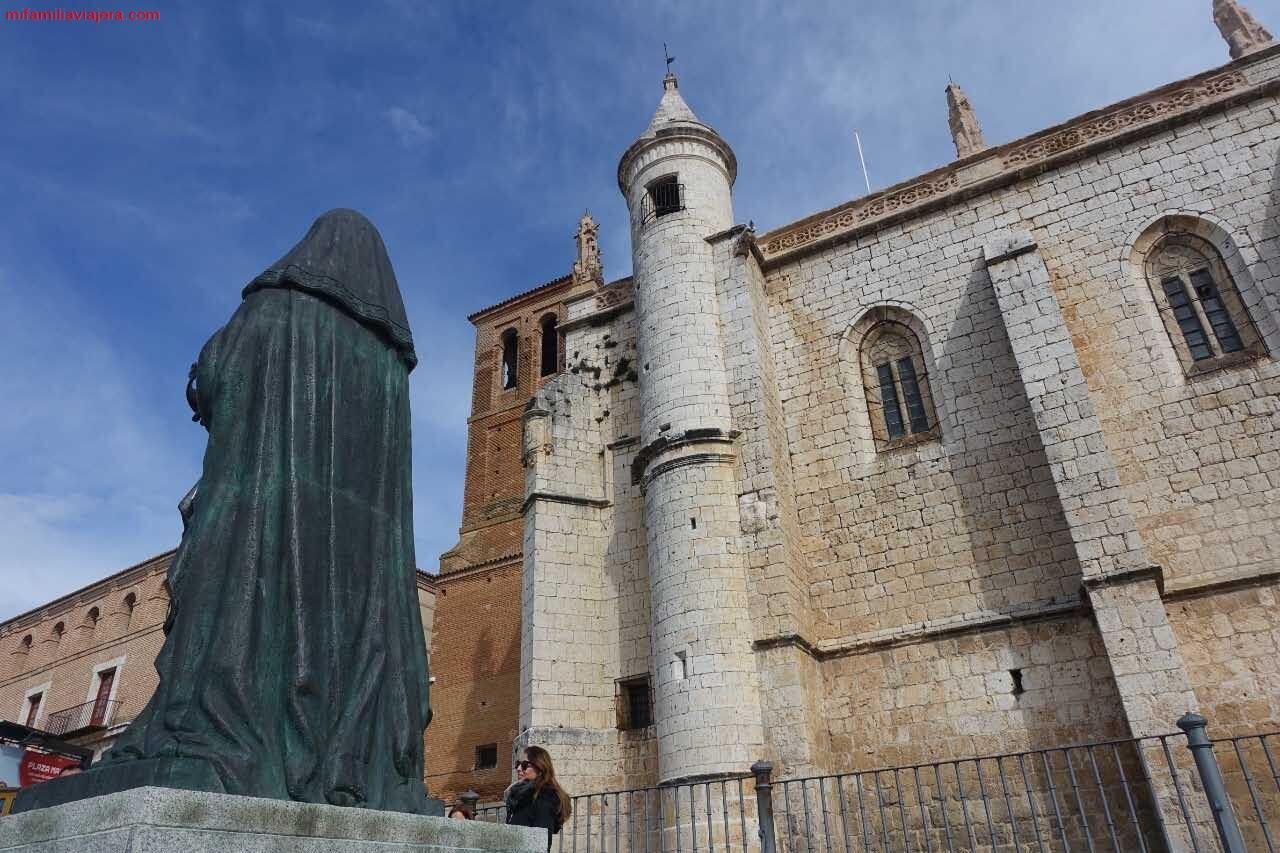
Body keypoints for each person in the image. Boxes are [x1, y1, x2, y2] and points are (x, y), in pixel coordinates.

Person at [505, 746, 571, 851]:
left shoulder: (545, 798)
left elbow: (541, 844)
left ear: (540, 769)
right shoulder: (519, 798)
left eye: (525, 765)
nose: (518, 769)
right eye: (518, 764)